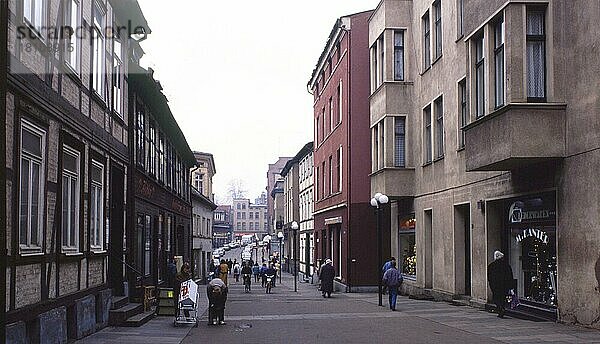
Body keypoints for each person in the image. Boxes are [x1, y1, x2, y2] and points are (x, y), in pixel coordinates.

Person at [487, 250, 514, 318]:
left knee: (496, 298)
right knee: (503, 297)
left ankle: (500, 308)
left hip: (495, 285)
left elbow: (489, 276)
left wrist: (491, 283)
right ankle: (502, 308)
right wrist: (510, 285)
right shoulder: (506, 265)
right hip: (504, 285)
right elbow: (510, 276)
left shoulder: (491, 266)